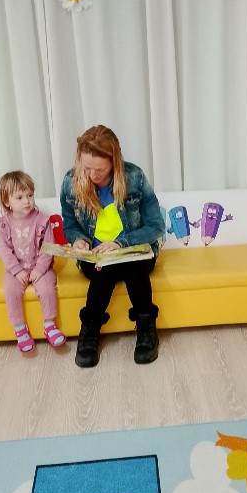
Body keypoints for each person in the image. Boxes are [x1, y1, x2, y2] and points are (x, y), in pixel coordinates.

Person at [60, 125, 165, 367]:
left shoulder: (134, 177)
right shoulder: (70, 182)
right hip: (96, 258)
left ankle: (146, 327)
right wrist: (79, 240)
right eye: (86, 167)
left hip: (133, 252)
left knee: (133, 268)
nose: (92, 175)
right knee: (103, 271)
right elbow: (70, 224)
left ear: (114, 161)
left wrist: (120, 243)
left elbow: (156, 225)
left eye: (100, 169)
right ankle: (90, 329)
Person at [0, 171, 66, 353]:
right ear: (7, 202)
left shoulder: (42, 220)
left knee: (47, 289)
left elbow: (48, 247)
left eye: (29, 195)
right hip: (16, 269)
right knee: (10, 290)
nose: (26, 201)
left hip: (41, 268)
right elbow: (5, 250)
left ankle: (49, 325)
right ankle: (20, 329)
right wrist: (17, 271)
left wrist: (40, 269)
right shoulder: (4, 224)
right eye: (19, 198)